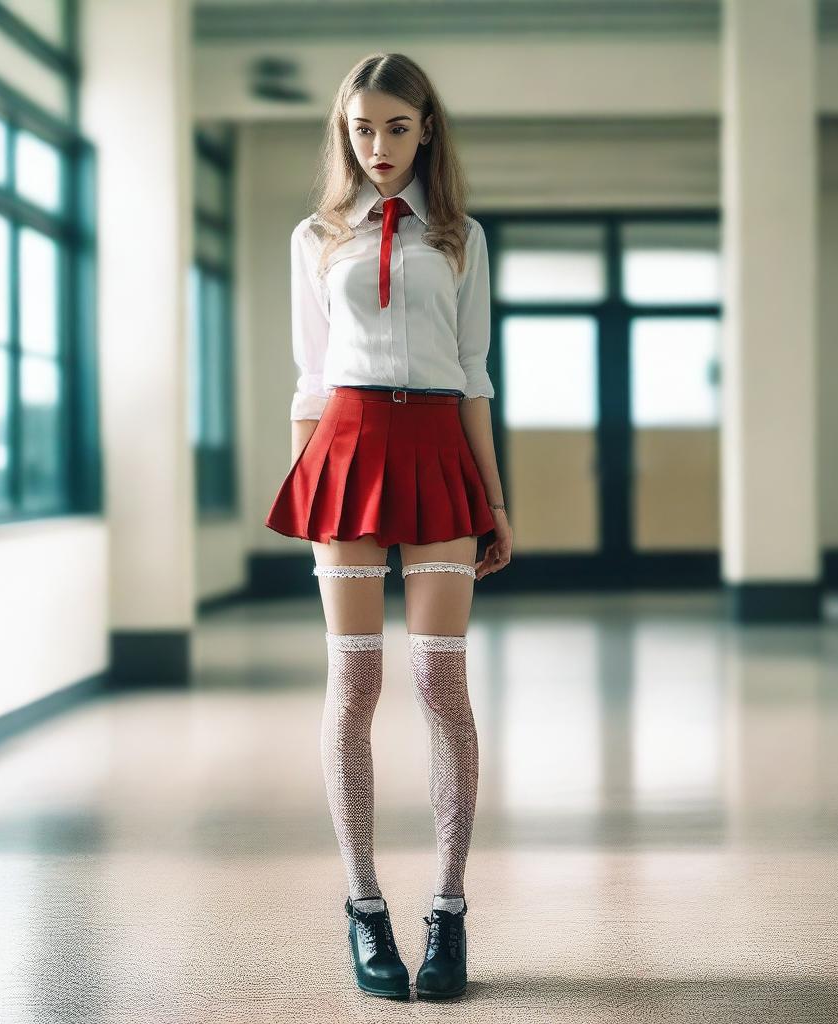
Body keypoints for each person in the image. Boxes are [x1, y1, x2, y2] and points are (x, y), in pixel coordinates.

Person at [263, 51, 513, 1001]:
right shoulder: (315, 236)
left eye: (396, 128)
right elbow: (310, 378)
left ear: (427, 130)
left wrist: (494, 503)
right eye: (361, 129)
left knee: (438, 682)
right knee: (356, 677)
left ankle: (447, 911)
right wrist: (305, 486)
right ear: (344, 132)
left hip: (439, 443)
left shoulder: (460, 237)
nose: (377, 147)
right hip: (347, 444)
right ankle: (365, 907)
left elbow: (477, 373)